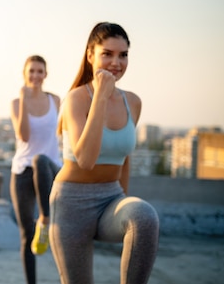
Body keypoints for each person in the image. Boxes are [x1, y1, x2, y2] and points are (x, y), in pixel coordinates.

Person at [49, 22, 159, 284]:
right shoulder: (76, 99)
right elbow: (85, 159)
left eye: (123, 55)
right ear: (90, 55)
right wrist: (100, 96)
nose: (116, 62)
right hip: (71, 205)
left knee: (144, 217)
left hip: (111, 199)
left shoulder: (133, 101)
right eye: (107, 53)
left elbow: (125, 157)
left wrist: (123, 197)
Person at [9, 55, 62, 284]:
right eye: (31, 71)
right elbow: (24, 136)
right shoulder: (16, 104)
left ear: (46, 75)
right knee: (26, 236)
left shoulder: (56, 100)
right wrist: (23, 100)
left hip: (50, 168)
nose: (36, 76)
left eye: (40, 71)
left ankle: (45, 219)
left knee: (40, 159)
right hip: (22, 171)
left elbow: (62, 135)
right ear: (25, 74)